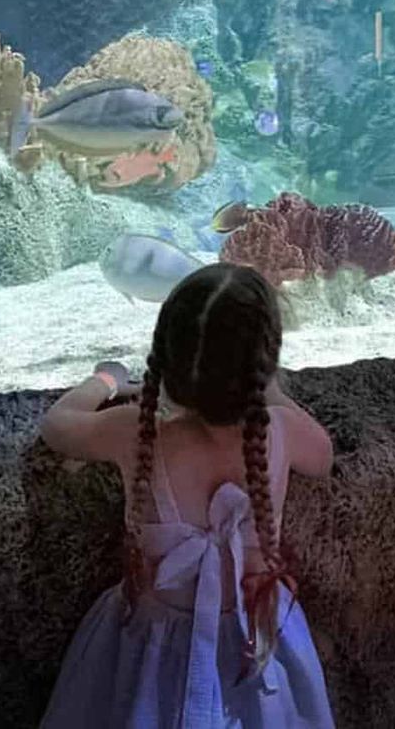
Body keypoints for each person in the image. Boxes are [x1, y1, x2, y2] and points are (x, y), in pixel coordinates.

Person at [38, 262, 336, 728]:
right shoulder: (282, 431)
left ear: (167, 360)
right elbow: (324, 456)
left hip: (148, 658)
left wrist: (107, 379)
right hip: (254, 650)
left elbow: (57, 427)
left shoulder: (135, 433)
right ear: (264, 364)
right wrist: (271, 391)